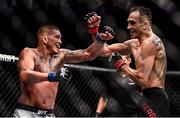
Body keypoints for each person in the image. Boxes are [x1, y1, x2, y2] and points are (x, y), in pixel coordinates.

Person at [13, 25, 114, 117]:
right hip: (27, 113)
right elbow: (25, 75)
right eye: (57, 37)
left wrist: (100, 40)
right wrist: (52, 76)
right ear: (45, 39)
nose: (60, 42)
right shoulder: (29, 53)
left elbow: (88, 54)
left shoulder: (61, 55)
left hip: (49, 114)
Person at [86, 6, 169, 117]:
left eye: (132, 23)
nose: (128, 27)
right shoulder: (133, 43)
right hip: (143, 97)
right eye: (128, 23)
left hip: (155, 98)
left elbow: (142, 79)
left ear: (145, 24)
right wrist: (94, 31)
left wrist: (121, 64)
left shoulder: (152, 43)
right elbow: (103, 50)